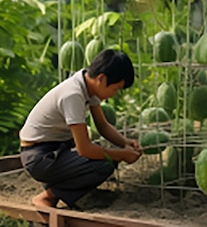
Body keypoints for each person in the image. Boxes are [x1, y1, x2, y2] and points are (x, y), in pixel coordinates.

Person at [19, 48, 143, 209]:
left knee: (105, 157)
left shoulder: (86, 83)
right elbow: (84, 149)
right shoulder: (73, 95)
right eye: (115, 89)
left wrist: (125, 142)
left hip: (54, 148)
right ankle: (48, 197)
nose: (115, 94)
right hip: (39, 157)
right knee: (104, 164)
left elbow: (103, 126)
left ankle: (61, 187)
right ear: (101, 78)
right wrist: (120, 154)